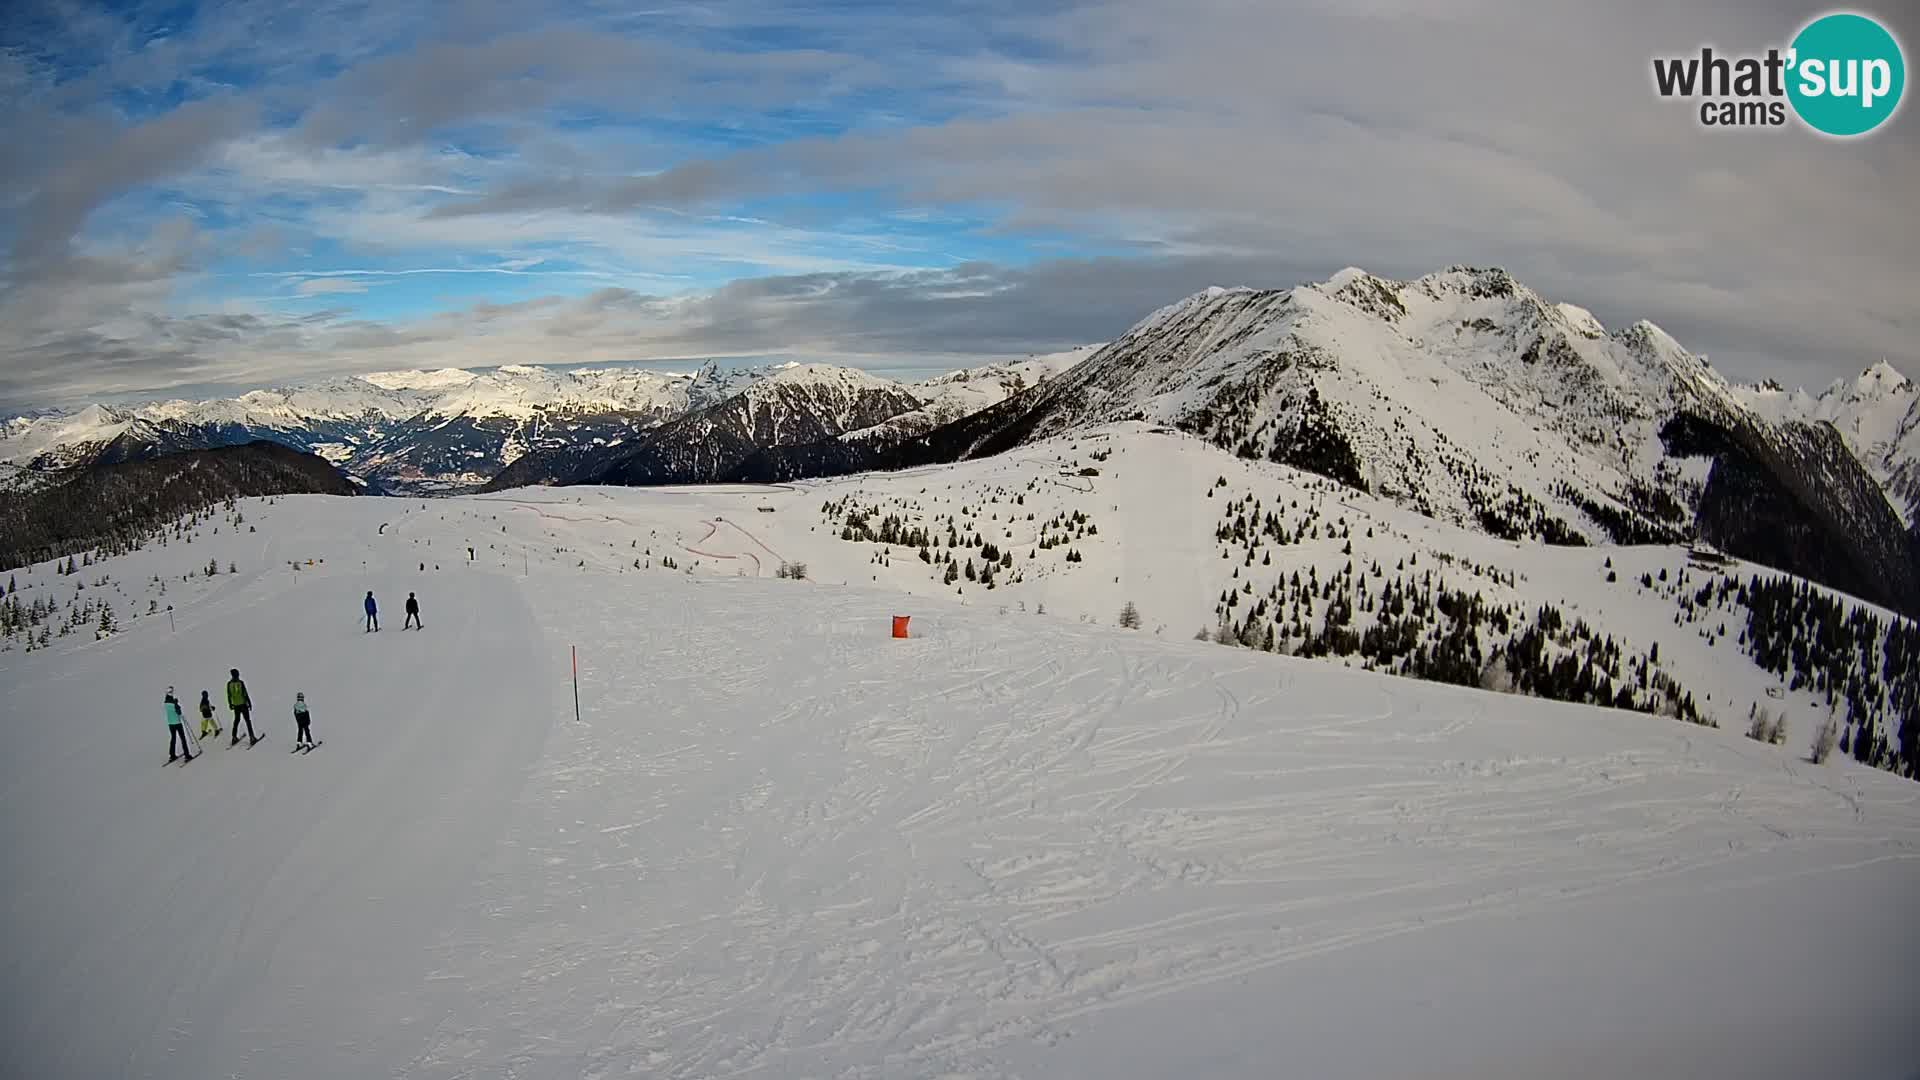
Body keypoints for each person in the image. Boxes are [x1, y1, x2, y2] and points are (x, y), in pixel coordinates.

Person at [227, 668, 258, 746]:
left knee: (236, 720)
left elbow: (229, 695)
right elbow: (245, 694)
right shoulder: (240, 683)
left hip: (236, 705)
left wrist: (230, 704)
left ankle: (234, 737)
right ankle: (252, 738)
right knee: (247, 721)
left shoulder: (229, 684)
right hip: (243, 704)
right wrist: (249, 703)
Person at [165, 687, 195, 763]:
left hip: (170, 723)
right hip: (177, 723)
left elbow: (171, 710)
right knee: (183, 738)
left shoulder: (165, 702)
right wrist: (176, 704)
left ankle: (172, 755)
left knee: (173, 738)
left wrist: (175, 703)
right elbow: (178, 712)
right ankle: (187, 755)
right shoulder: (173, 703)